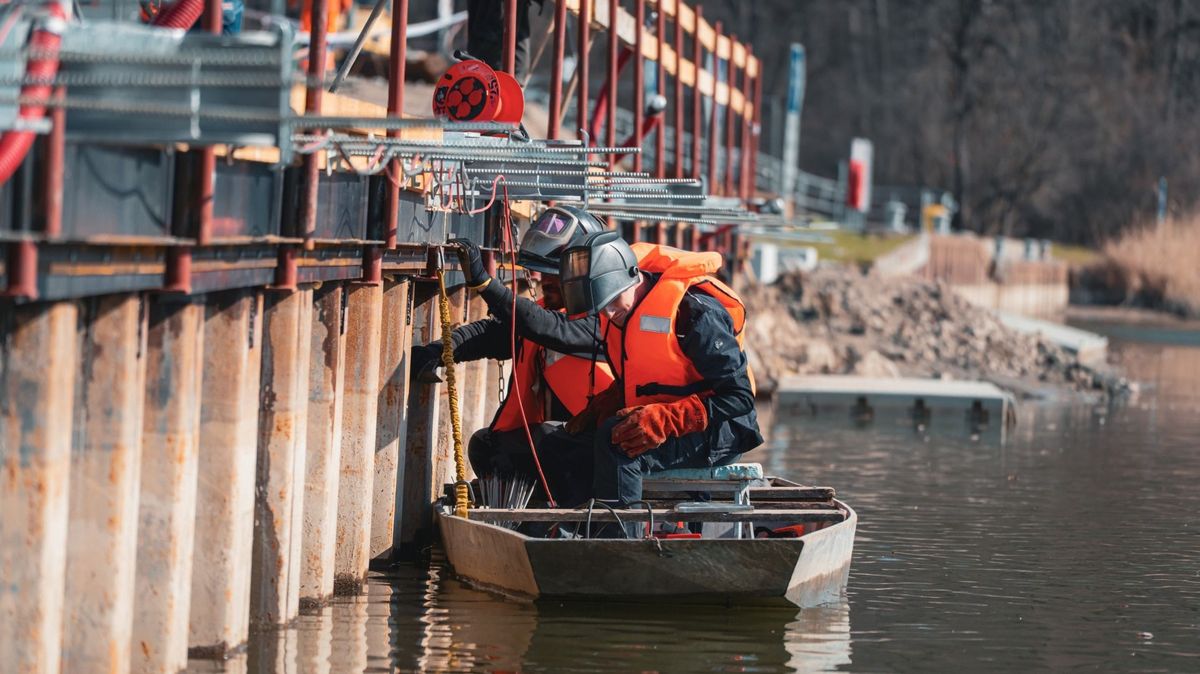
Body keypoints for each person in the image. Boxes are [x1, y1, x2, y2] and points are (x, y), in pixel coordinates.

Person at [410, 206, 612, 490]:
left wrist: (486, 285)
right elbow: (492, 335)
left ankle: (555, 505)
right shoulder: (549, 315)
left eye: (556, 274)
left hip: (605, 445)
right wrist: (439, 351)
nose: (545, 281)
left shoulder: (606, 322)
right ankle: (530, 503)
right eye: (544, 273)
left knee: (545, 440)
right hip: (567, 442)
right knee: (486, 447)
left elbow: (548, 328)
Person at [556, 230, 762, 507]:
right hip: (667, 417)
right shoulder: (621, 311)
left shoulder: (696, 314)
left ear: (633, 276)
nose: (609, 314)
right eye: (601, 308)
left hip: (722, 431)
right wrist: (605, 403)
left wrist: (666, 420)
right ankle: (570, 525)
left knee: (618, 441)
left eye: (613, 302)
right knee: (563, 443)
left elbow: (740, 397)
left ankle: (620, 531)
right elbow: (653, 376)